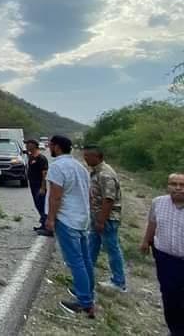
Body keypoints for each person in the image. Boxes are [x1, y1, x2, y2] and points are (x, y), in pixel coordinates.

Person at [45, 135, 95, 318]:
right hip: (82, 219)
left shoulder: (57, 166)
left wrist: (50, 219)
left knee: (75, 261)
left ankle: (84, 302)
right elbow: (89, 195)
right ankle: (89, 293)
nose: (49, 147)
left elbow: (55, 196)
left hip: (67, 219)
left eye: (50, 145)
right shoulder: (80, 167)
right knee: (85, 259)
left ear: (57, 147)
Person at [140, 173, 184, 335]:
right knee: (169, 296)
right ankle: (174, 329)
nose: (178, 188)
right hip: (164, 258)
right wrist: (146, 241)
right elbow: (152, 223)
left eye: (182, 184)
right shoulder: (158, 202)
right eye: (174, 184)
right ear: (168, 185)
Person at [83, 145, 127, 293]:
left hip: (107, 218)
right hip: (98, 217)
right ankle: (86, 274)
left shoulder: (105, 174)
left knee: (112, 248)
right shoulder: (97, 172)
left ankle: (119, 281)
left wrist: (102, 220)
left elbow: (108, 200)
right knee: (92, 245)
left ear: (98, 157)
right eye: (85, 155)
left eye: (89, 156)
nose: (86, 158)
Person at [25, 139, 50, 235]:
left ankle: (46, 227)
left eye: (28, 144)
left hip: (39, 185)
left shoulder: (41, 158)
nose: (27, 146)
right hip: (33, 184)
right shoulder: (31, 157)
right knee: (37, 204)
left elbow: (44, 173)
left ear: (34, 145)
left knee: (42, 204)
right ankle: (43, 224)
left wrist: (43, 187)